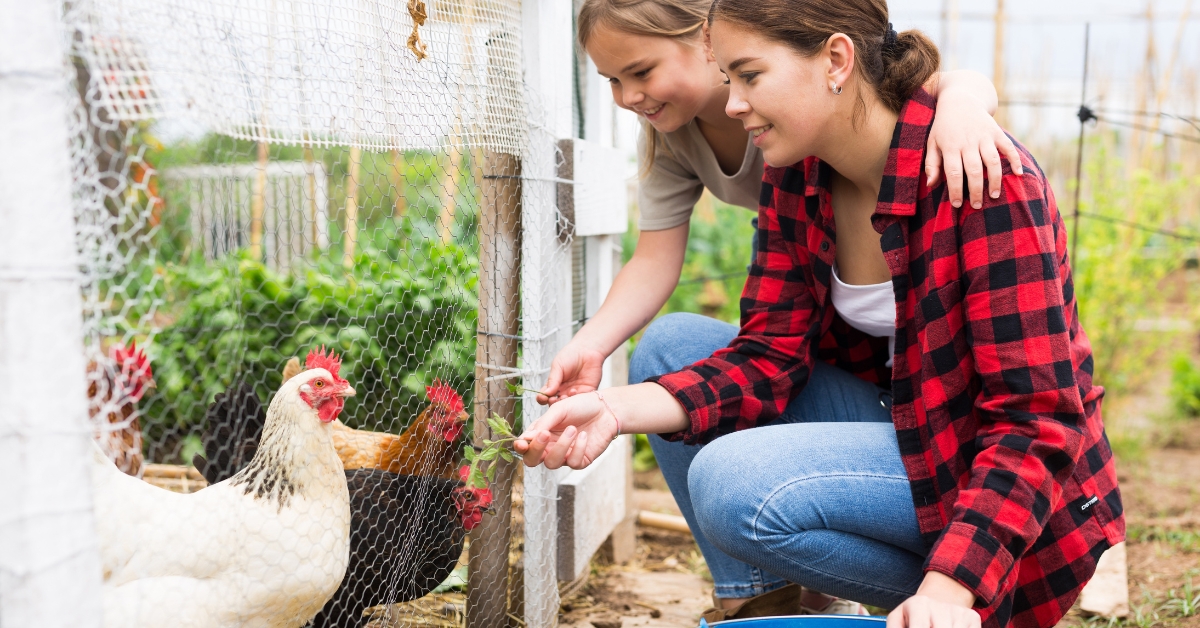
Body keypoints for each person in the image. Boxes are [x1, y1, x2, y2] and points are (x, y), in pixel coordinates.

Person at [515, 0, 1125, 627]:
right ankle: (762, 607)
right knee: (671, 348)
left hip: (999, 481)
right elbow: (768, 356)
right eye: (729, 79)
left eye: (749, 76)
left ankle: (954, 597)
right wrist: (615, 409)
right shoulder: (798, 175)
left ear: (836, 59)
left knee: (737, 485)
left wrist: (950, 589)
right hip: (906, 424)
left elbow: (1035, 420)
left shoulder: (978, 179)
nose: (731, 104)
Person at [539, 0, 1018, 418]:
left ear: (705, 37)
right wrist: (592, 347)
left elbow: (920, 74)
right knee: (670, 356)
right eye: (612, 81)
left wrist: (964, 105)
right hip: (815, 266)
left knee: (745, 473)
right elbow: (654, 257)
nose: (627, 97)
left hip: (907, 341)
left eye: (641, 72)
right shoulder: (678, 139)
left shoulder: (804, 107)